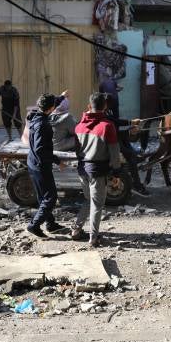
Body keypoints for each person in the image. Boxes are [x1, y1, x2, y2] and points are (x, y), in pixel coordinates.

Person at [71, 93, 122, 246]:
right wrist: (116, 173)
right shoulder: (107, 126)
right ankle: (93, 237)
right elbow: (114, 153)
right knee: (97, 205)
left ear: (89, 106)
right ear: (105, 106)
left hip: (82, 170)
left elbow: (76, 150)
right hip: (98, 172)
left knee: (88, 200)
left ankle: (76, 229)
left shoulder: (78, 126)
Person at [25, 94, 70, 237]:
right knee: (50, 197)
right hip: (40, 165)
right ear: (51, 109)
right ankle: (34, 225)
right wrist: (58, 161)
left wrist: (61, 97)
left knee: (43, 197)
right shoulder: (43, 125)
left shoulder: (34, 115)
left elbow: (50, 102)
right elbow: (41, 150)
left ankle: (50, 224)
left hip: (32, 162)